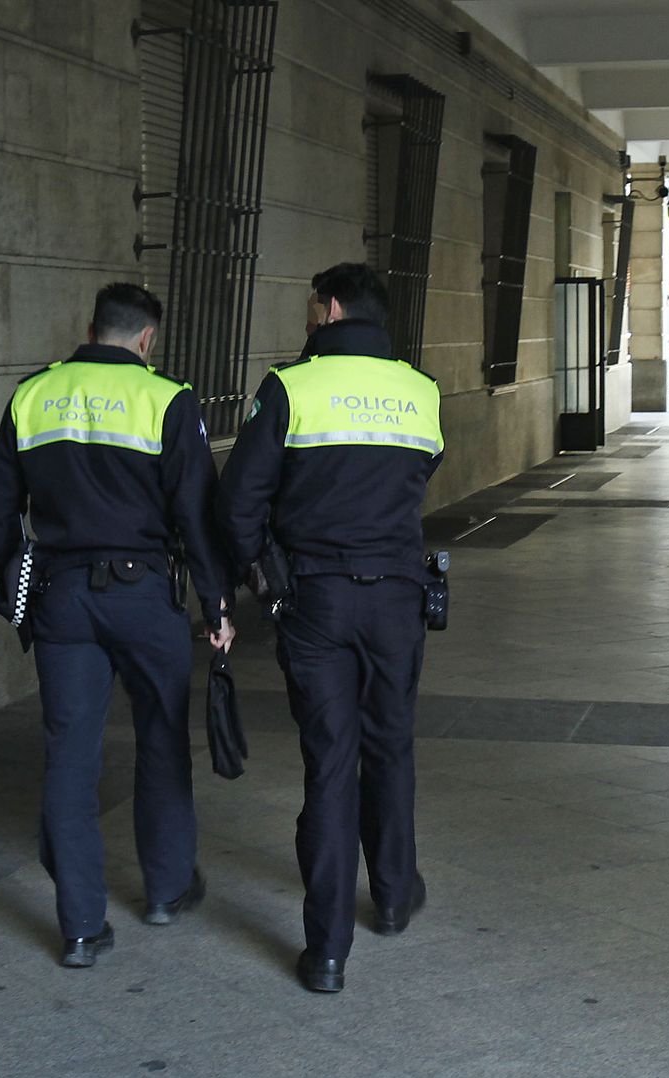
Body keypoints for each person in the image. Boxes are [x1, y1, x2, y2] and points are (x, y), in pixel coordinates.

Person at [0, 283, 235, 969]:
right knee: (161, 738)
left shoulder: (34, 395)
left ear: (89, 328)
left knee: (69, 755)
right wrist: (216, 605)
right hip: (145, 596)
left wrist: (14, 579)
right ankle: (167, 889)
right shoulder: (168, 400)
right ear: (147, 339)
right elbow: (196, 515)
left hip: (62, 596)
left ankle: (81, 929)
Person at [220, 262, 443, 994]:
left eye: (310, 308)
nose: (306, 320)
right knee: (391, 748)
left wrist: (261, 575)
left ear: (333, 309)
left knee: (329, 766)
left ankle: (326, 953)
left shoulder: (289, 387)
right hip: (397, 598)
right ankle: (394, 896)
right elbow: (417, 474)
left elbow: (240, 500)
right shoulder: (421, 391)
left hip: (315, 598)